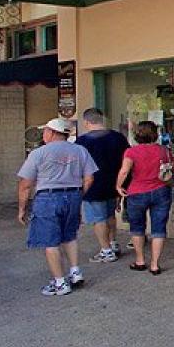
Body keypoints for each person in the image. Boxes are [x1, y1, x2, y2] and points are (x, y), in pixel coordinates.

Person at [16, 118, 98, 297]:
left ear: (52, 132)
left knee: (50, 241)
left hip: (48, 197)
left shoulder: (39, 153)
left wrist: (22, 208)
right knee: (69, 236)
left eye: (45, 131)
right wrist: (78, 195)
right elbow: (90, 178)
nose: (43, 134)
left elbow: (25, 184)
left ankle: (60, 282)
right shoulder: (80, 150)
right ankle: (75, 272)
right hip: (74, 194)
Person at [116, 121, 173, 274]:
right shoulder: (164, 150)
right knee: (159, 228)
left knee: (137, 227)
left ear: (137, 134)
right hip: (161, 190)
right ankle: (155, 264)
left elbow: (124, 171)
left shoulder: (131, 152)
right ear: (155, 134)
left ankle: (140, 260)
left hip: (137, 192)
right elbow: (169, 170)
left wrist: (118, 186)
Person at [75, 108, 130, 263]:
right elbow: (127, 160)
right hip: (114, 184)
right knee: (110, 215)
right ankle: (113, 243)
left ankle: (106, 251)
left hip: (93, 186)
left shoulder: (82, 142)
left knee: (98, 219)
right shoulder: (118, 138)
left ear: (86, 122)